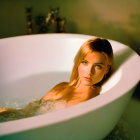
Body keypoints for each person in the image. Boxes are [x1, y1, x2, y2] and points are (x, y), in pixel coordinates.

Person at [0, 37, 113, 121]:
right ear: (78, 63)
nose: (89, 72)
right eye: (85, 63)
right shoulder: (62, 85)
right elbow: (29, 111)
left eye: (98, 66)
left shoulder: (91, 99)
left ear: (107, 69)